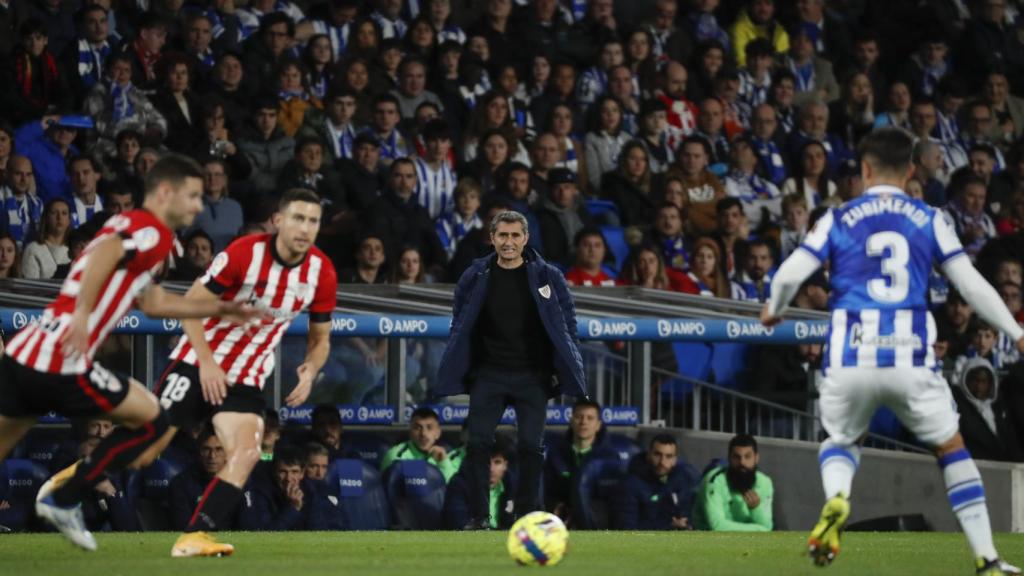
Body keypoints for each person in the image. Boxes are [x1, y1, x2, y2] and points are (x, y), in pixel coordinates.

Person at [760, 127, 1024, 574]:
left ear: (864, 169)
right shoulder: (929, 218)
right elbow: (971, 284)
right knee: (951, 449)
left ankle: (838, 498)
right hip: (910, 355)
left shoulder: (838, 218)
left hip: (850, 354)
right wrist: (1014, 332)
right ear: (911, 170)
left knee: (841, 440)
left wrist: (775, 308)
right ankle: (986, 557)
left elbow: (788, 274)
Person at [1, 155, 260, 551]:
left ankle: (64, 496)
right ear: (165, 192)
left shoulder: (130, 228)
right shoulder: (151, 230)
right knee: (154, 422)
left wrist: (220, 308)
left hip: (26, 352)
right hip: (62, 360)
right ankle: (63, 497)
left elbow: (152, 302)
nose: (197, 205)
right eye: (191, 196)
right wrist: (84, 314)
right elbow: (106, 255)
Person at [154, 189, 337, 557]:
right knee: (146, 445)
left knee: (247, 450)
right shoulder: (244, 253)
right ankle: (74, 482)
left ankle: (196, 536)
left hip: (246, 375)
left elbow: (320, 339)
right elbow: (191, 305)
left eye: (313, 220)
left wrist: (310, 370)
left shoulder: (322, 273)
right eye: (298, 218)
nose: (305, 227)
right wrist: (206, 363)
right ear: (278, 220)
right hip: (198, 358)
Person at [436, 210, 586, 529]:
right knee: (477, 444)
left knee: (532, 446)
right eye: (502, 235)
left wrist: (564, 364)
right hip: (488, 374)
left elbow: (568, 323)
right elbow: (459, 322)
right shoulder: (474, 275)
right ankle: (479, 517)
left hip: (532, 376)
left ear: (526, 238)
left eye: (515, 235)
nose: (509, 242)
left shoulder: (549, 276)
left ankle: (527, 517)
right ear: (492, 238)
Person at [544, 399, 618, 525]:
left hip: (595, 517)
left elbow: (612, 495)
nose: (584, 422)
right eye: (579, 417)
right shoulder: (556, 453)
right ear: (571, 421)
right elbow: (548, 489)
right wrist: (555, 505)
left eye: (590, 418)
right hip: (561, 516)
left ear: (598, 425)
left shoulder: (609, 456)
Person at [613, 434, 699, 530]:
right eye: (657, 454)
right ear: (648, 454)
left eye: (668, 456)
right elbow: (626, 529)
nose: (662, 461)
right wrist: (668, 526)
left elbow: (688, 515)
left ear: (675, 460)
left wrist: (687, 524)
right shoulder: (629, 485)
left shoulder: (681, 481)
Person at [692, 434, 773, 532]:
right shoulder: (714, 481)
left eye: (747, 457)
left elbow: (767, 525)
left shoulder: (765, 483)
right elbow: (717, 526)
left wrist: (755, 508)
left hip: (748, 541)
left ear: (756, 458)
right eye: (736, 457)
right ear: (729, 458)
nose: (742, 462)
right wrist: (760, 530)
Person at [239, 444, 329, 530]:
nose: (288, 479)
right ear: (274, 472)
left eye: (294, 472)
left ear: (302, 473)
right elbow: (264, 536)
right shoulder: (260, 492)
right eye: (283, 472)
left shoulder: (310, 491)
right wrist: (293, 509)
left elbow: (317, 530)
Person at [952, 358, 1023, 463]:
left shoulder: (1000, 408)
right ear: (965, 380)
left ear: (991, 383)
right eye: (974, 381)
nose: (979, 386)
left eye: (984, 381)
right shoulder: (958, 410)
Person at [443, 437, 514, 530]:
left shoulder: (514, 487)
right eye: (485, 462)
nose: (491, 469)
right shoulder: (459, 485)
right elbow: (458, 524)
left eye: (497, 462)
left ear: (505, 465)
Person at [380, 407, 458, 482]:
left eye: (429, 428)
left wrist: (443, 462)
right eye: (418, 428)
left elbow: (452, 487)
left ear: (438, 433)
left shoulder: (444, 456)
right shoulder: (397, 456)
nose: (423, 433)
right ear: (410, 432)